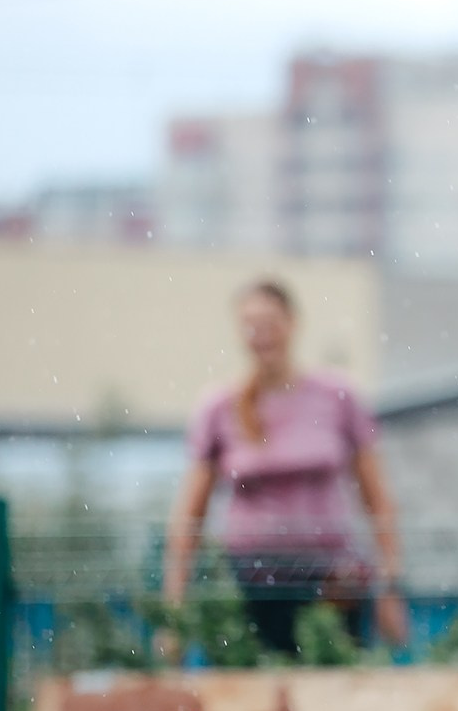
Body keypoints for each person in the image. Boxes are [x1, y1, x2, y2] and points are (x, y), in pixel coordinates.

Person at [162, 280, 408, 657]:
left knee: (335, 681)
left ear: (293, 324)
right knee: (255, 687)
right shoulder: (219, 408)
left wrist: (390, 587)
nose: (262, 334)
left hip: (333, 580)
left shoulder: (338, 397)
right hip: (251, 585)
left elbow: (377, 499)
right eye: (250, 325)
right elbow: (189, 515)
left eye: (270, 323)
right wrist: (174, 609)